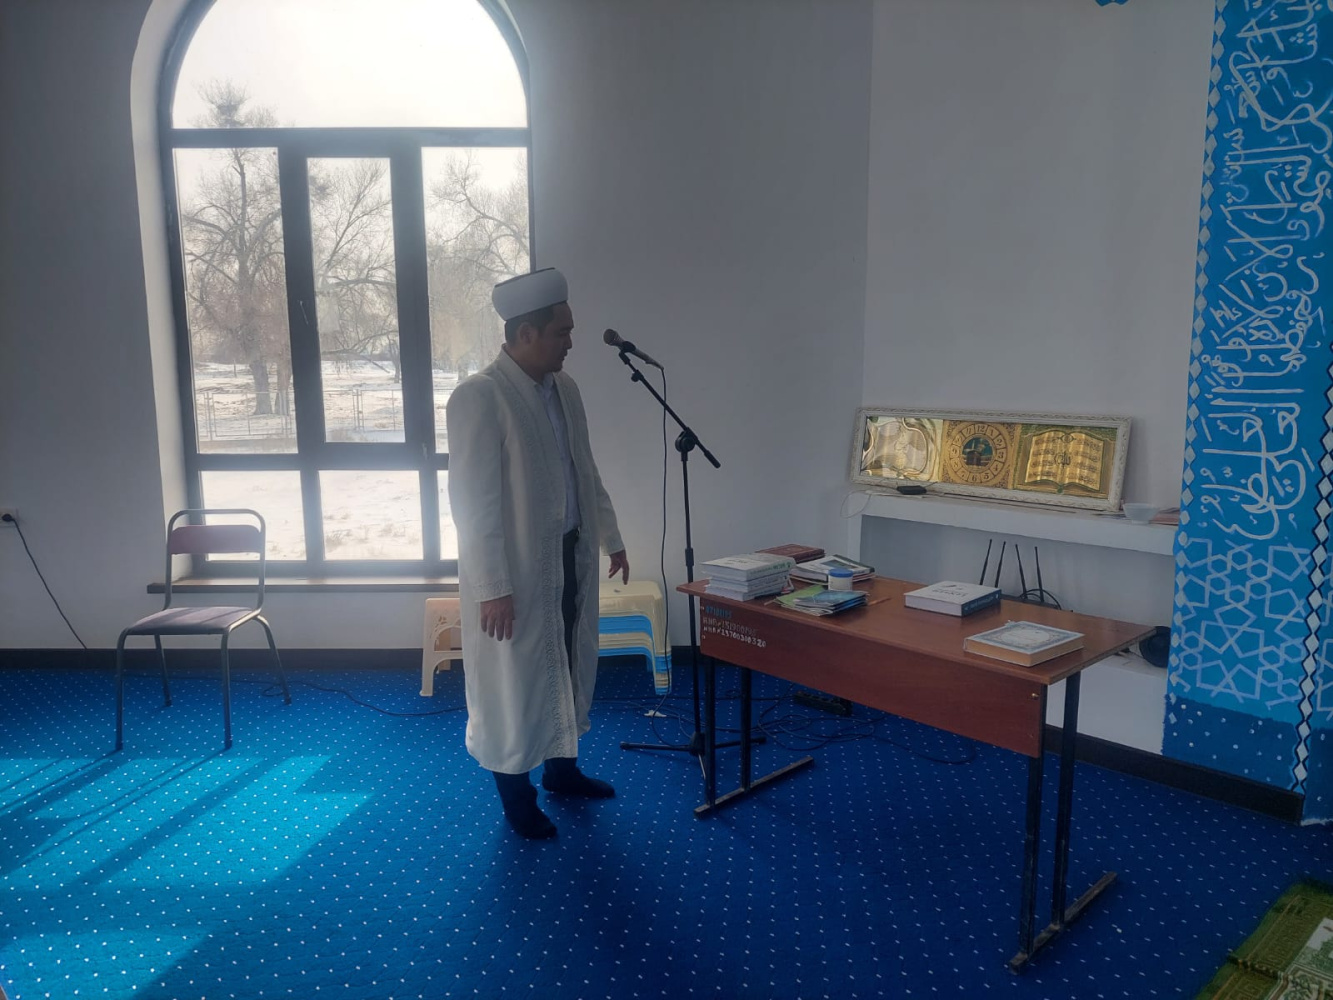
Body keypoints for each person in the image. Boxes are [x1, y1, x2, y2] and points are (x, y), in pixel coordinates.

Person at [446, 267, 630, 839]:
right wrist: (492, 587)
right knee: (514, 679)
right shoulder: (479, 396)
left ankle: (561, 772)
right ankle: (516, 796)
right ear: (525, 334)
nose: (571, 341)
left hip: (568, 556)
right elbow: (472, 505)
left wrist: (612, 537)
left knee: (567, 662)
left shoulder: (565, 389)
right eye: (561, 331)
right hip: (515, 571)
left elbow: (585, 471)